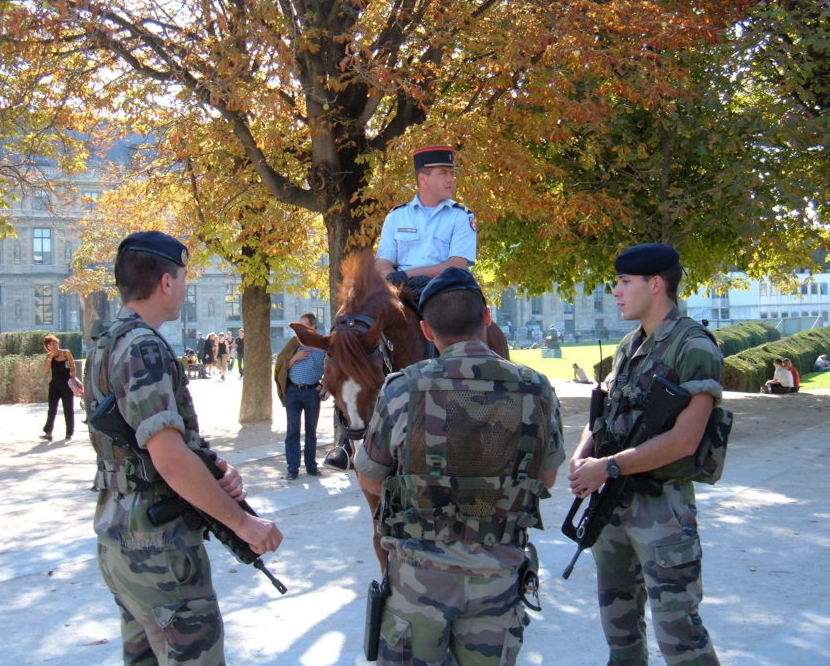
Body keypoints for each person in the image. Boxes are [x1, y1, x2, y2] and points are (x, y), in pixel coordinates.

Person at [84, 231, 282, 665]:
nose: (186, 287)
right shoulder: (145, 348)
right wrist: (243, 525)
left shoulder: (105, 342)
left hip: (119, 536)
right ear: (167, 282)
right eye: (184, 277)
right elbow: (169, 459)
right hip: (160, 548)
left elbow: (150, 445)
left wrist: (214, 468)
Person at [354, 267, 564, 665]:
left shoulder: (401, 389)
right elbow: (547, 478)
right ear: (487, 317)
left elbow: (369, 476)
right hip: (499, 574)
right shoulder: (537, 388)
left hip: (419, 578)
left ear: (427, 331)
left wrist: (425, 496)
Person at [568, 242, 724, 666]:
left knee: (681, 637)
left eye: (623, 282)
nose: (615, 291)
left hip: (662, 509)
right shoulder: (628, 345)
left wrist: (610, 466)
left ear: (655, 284)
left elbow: (684, 440)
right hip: (613, 505)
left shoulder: (693, 347)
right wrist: (583, 453)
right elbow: (604, 416)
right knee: (621, 637)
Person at [374, 146, 477, 296]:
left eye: (452, 173)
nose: (451, 179)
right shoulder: (397, 216)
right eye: (443, 173)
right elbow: (382, 262)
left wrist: (406, 275)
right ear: (423, 178)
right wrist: (392, 279)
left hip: (445, 291)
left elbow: (457, 265)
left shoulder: (461, 216)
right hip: (403, 292)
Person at [274, 313, 326, 480]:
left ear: (313, 327)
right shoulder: (294, 343)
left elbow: (333, 368)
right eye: (298, 326)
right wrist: (294, 358)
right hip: (293, 392)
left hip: (312, 393)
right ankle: (293, 468)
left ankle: (311, 467)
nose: (299, 330)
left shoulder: (324, 345)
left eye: (303, 326)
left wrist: (324, 385)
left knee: (311, 432)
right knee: (292, 432)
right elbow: (281, 364)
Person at [40, 334, 77, 441]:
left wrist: (73, 379)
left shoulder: (66, 352)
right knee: (52, 409)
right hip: (54, 385)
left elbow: (73, 366)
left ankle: (69, 433)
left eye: (54, 342)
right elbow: (46, 369)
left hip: (67, 384)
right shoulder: (48, 356)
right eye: (50, 344)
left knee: (68, 409)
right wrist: (50, 357)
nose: (53, 345)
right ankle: (48, 432)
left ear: (57, 343)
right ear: (48, 347)